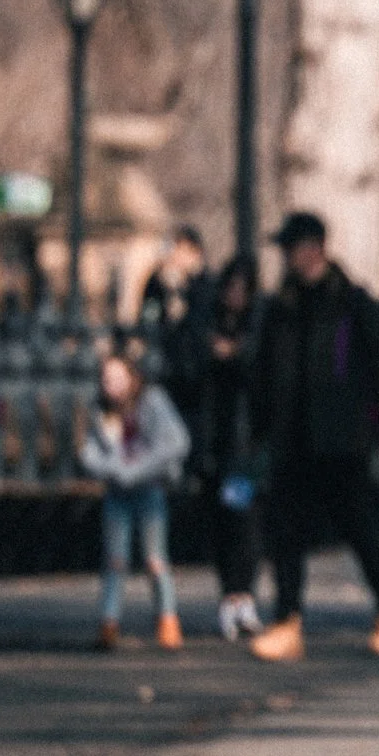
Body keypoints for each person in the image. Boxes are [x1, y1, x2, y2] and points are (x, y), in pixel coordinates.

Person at [246, 212, 379, 663]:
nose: (286, 257)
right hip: (290, 437)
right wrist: (258, 430)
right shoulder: (278, 307)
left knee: (359, 526)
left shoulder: (355, 305)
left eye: (292, 247)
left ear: (314, 247)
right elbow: (261, 371)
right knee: (286, 533)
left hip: (343, 436)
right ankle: (287, 619)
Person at [172, 256, 266, 640]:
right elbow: (184, 373)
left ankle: (242, 593)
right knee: (222, 521)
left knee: (243, 519)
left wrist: (237, 354)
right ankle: (230, 594)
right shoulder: (203, 328)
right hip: (214, 446)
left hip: (242, 449)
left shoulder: (257, 329)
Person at [80, 351, 191, 651]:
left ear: (131, 378)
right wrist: (115, 469)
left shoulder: (153, 402)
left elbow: (176, 443)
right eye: (106, 379)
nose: (111, 385)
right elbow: (89, 454)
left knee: (155, 560)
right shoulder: (102, 413)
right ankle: (109, 621)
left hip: (149, 490)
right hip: (117, 494)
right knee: (115, 561)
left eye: (117, 378)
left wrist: (137, 469)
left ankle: (168, 619)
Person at [138, 225, 209, 334]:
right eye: (177, 249)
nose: (178, 256)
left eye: (186, 251)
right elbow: (149, 316)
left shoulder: (205, 283)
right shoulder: (157, 281)